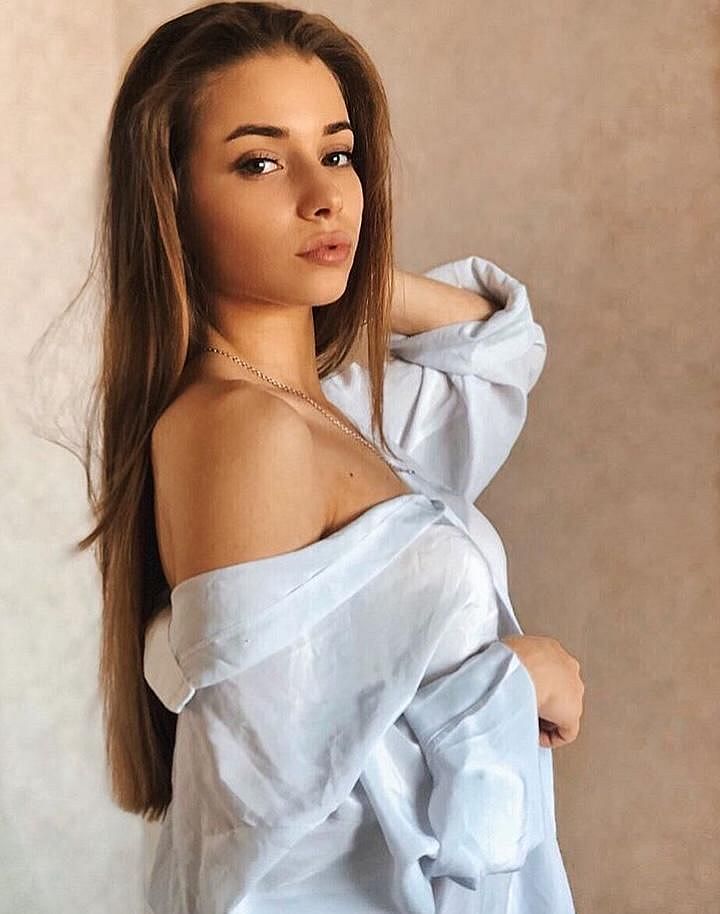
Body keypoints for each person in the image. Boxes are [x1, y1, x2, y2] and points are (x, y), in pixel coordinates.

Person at [53, 3, 584, 911]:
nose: (324, 194)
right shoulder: (243, 430)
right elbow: (271, 838)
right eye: (260, 162)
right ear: (170, 198)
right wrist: (508, 685)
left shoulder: (343, 413)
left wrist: (353, 273)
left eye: (337, 154)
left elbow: (499, 347)